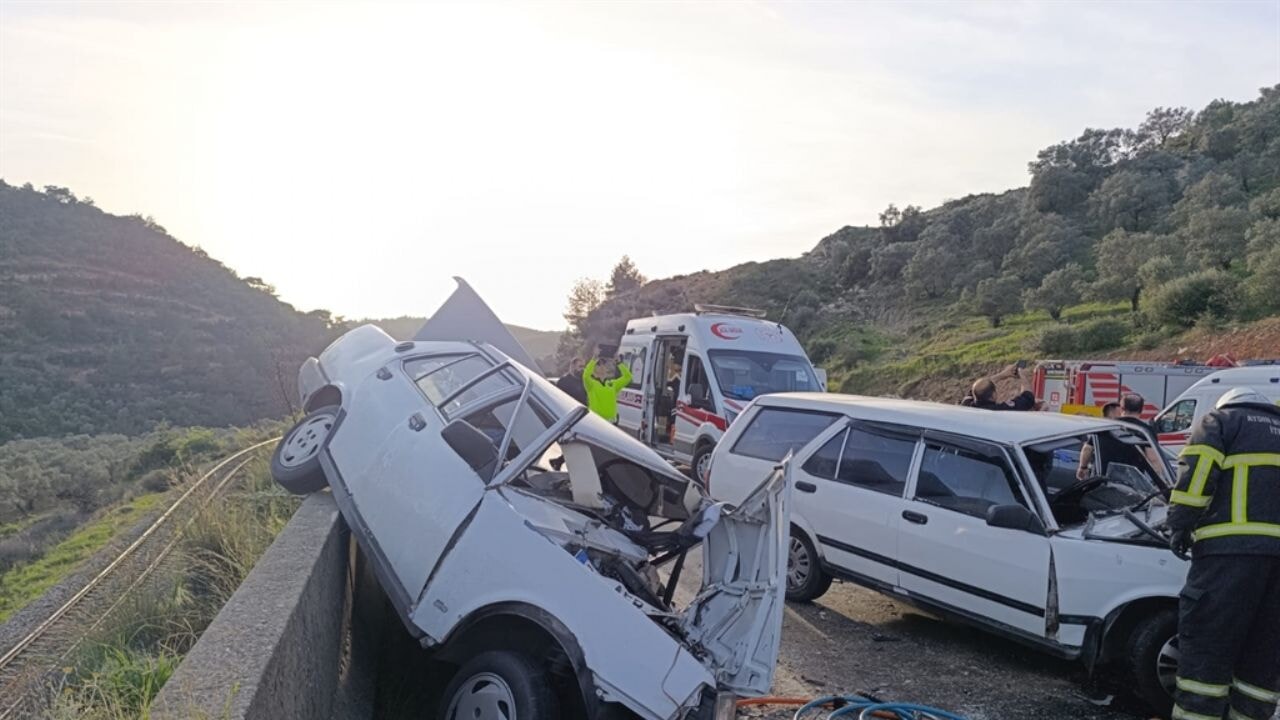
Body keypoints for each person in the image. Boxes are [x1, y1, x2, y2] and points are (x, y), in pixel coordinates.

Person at [1165, 387, 1280, 720]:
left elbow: (1197, 477)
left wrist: (1179, 525)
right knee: (1264, 652)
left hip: (1229, 556)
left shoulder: (1221, 422)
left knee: (1208, 644)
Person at [1076, 393, 1167, 481]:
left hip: (1102, 481)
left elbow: (1087, 449)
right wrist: (1156, 480)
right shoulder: (1145, 431)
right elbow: (1153, 459)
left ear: (1122, 408)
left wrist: (1082, 467)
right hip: (1131, 484)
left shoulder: (1105, 426)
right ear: (1141, 409)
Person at [961, 363, 1035, 411]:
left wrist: (1003, 374)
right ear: (993, 395)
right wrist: (1022, 375)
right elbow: (1028, 398)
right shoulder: (998, 410)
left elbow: (975, 389)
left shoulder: (966, 406)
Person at [583, 353, 632, 424]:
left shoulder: (612, 384)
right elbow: (585, 376)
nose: (602, 366)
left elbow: (628, 377)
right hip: (595, 420)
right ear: (593, 370)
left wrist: (619, 363)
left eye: (604, 364)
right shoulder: (591, 384)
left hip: (611, 421)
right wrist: (593, 360)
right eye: (598, 365)